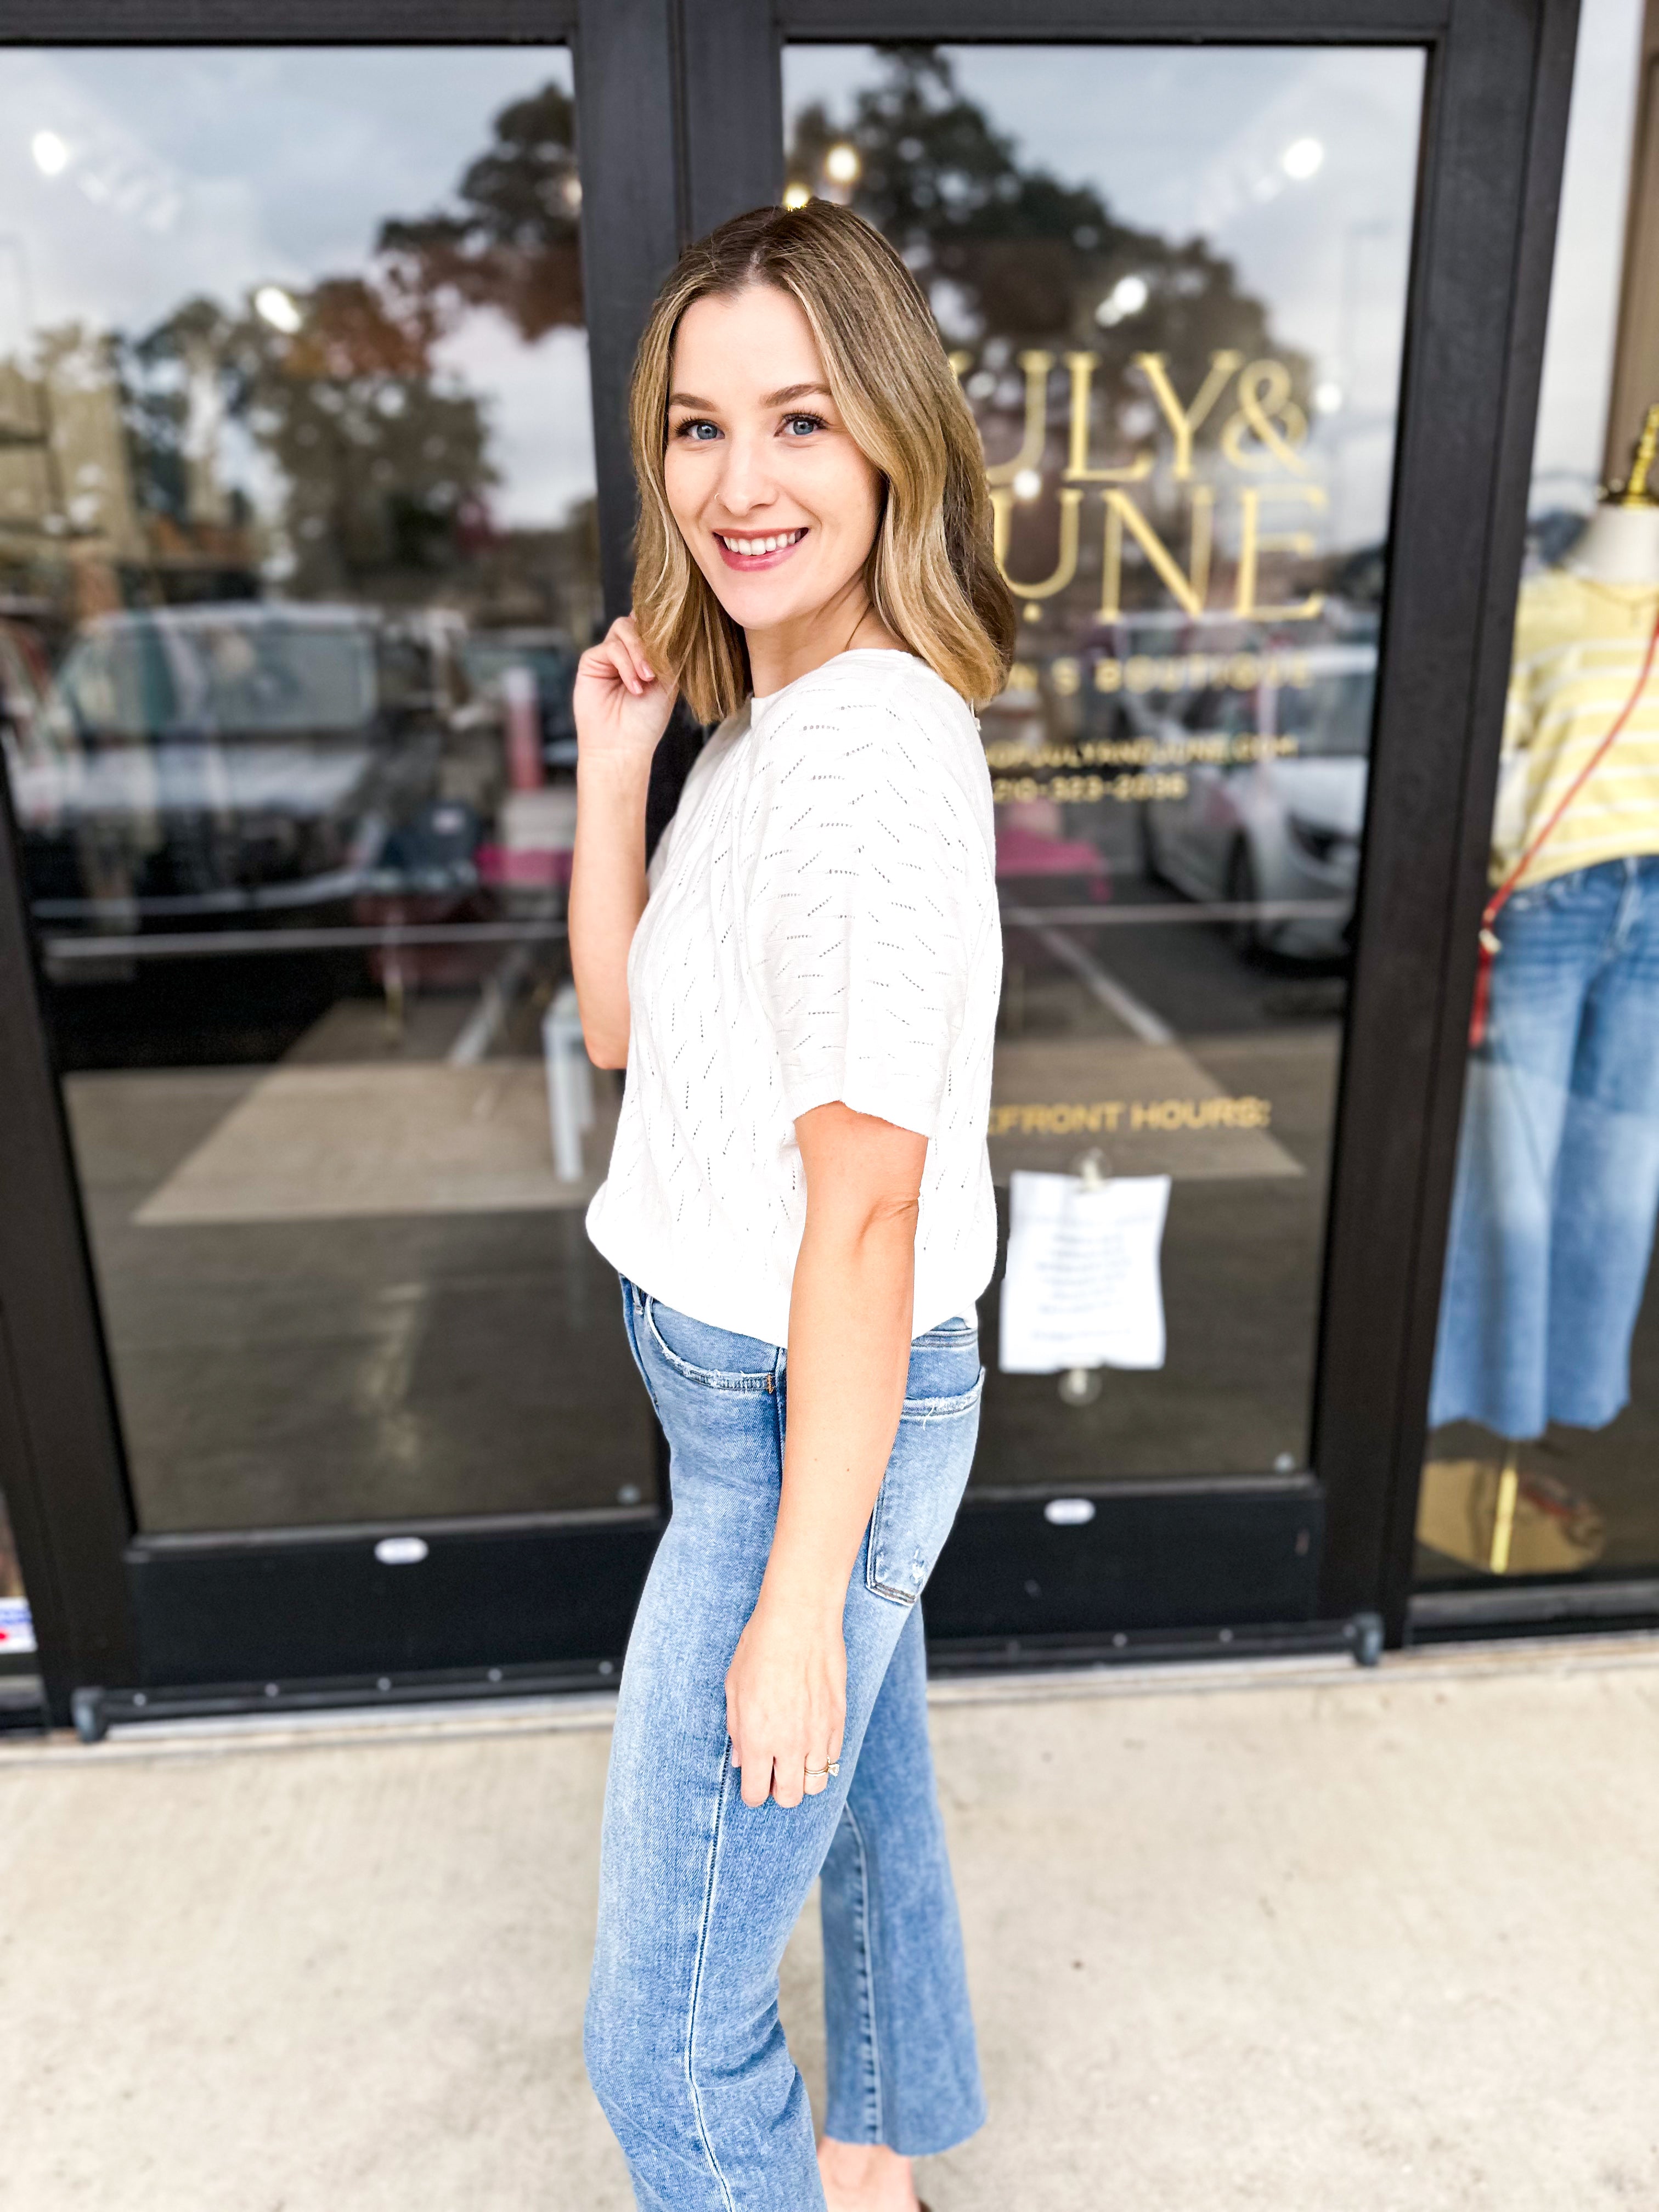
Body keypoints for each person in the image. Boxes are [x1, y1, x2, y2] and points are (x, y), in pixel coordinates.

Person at [571, 199, 1015, 2212]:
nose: (740, 482)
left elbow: (865, 1216)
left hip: (795, 1425)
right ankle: (881, 2150)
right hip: (768, 1398)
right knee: (867, 1806)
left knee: (659, 2037)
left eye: (803, 423)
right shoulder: (770, 724)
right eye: (696, 426)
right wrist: (617, 768)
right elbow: (616, 1031)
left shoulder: (861, 773)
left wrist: (793, 1607)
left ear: (897, 443)